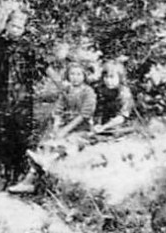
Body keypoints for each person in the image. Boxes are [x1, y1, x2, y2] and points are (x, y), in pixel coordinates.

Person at [8, 59, 94, 194]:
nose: (75, 77)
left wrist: (65, 130)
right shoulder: (67, 90)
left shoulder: (88, 92)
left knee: (67, 143)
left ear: (84, 76)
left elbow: (84, 115)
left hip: (81, 128)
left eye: (78, 74)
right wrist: (56, 126)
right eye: (72, 74)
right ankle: (28, 182)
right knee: (48, 142)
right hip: (65, 126)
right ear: (68, 76)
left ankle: (48, 160)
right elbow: (58, 110)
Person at [91, 59, 135, 134]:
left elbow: (122, 116)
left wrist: (104, 127)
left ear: (120, 78)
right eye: (106, 77)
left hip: (120, 122)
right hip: (104, 121)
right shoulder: (101, 89)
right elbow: (98, 109)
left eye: (112, 77)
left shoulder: (124, 93)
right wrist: (96, 123)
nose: (108, 81)